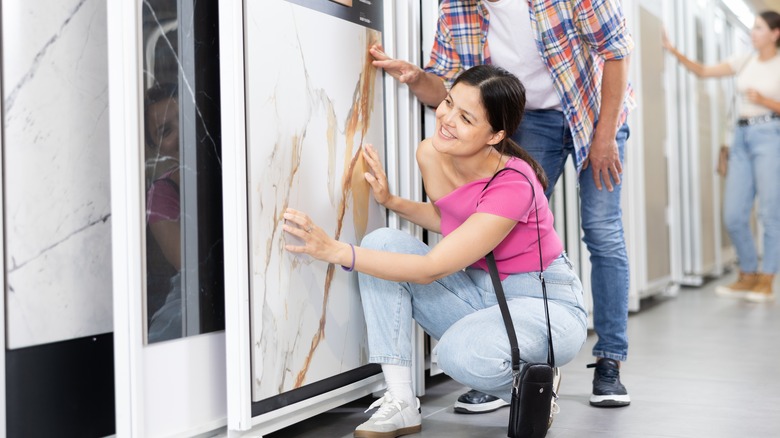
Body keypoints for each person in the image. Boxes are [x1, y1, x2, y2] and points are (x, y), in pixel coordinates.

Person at [284, 65, 587, 437]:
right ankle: (400, 401)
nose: (446, 119)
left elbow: (431, 267)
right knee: (381, 243)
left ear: (496, 135)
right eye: (448, 103)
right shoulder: (432, 153)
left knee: (455, 354)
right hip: (480, 291)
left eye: (465, 117)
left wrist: (334, 251)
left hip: (543, 302)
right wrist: (392, 201)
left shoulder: (515, 183)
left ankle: (534, 385)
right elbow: (455, 221)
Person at [369, 0, 635, 410]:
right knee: (502, 229)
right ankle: (510, 356)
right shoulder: (457, 6)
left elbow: (617, 51)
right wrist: (417, 77)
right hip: (527, 117)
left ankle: (610, 362)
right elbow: (453, 91)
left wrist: (604, 136)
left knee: (602, 230)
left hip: (593, 109)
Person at [663, 11, 780, 303]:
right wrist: (672, 49)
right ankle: (748, 274)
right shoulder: (746, 60)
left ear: (775, 34)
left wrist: (765, 100)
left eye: (759, 28)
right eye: (753, 27)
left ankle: (767, 280)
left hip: (769, 135)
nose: (753, 33)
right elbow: (703, 71)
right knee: (733, 214)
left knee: (769, 212)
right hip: (739, 138)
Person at [144, 83, 184, 342]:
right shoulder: (161, 195)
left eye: (184, 118)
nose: (181, 134)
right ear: (158, 148)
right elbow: (190, 267)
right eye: (166, 131)